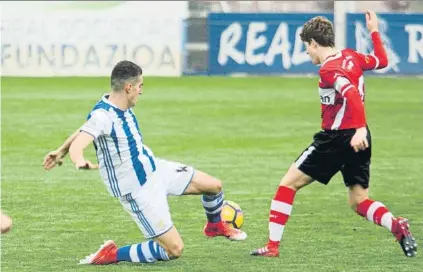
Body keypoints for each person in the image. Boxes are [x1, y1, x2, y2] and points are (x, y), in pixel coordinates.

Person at [43, 60, 247, 265]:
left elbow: (85, 128)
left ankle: (215, 227)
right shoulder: (104, 116)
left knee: (214, 186)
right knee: (174, 249)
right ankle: (112, 254)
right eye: (140, 86)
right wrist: (78, 160)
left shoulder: (110, 105)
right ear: (128, 87)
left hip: (155, 169)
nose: (141, 91)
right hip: (138, 190)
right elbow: (81, 142)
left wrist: (60, 150)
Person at [250, 10, 417, 258]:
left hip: (338, 138)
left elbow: (349, 91)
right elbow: (382, 61)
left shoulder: (328, 70)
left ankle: (272, 246)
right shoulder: (351, 56)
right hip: (360, 139)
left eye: (307, 46)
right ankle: (395, 224)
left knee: (287, 185)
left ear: (314, 43)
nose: (307, 52)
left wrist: (358, 127)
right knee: (359, 201)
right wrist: (374, 31)